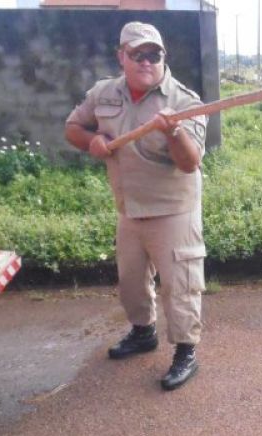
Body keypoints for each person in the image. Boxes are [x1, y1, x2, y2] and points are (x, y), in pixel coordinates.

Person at [65, 21, 207, 391]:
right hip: (129, 208)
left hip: (174, 209)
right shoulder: (104, 93)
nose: (146, 61)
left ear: (163, 57)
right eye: (137, 53)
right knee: (131, 281)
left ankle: (185, 352)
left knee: (181, 284)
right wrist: (93, 141)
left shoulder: (184, 102)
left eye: (154, 54)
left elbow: (190, 162)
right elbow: (73, 128)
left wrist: (173, 131)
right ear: (121, 57)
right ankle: (143, 333)